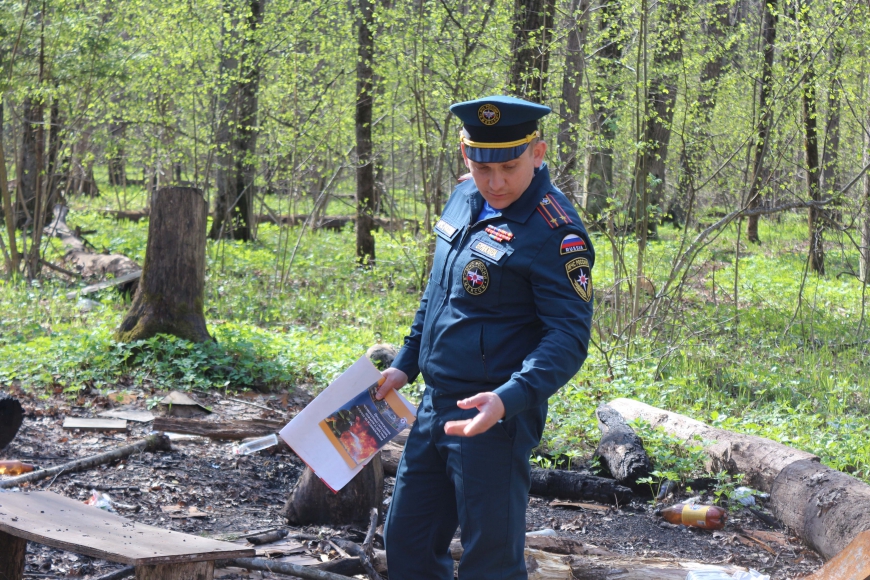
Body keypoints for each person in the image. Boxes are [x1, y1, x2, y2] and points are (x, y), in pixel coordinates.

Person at [375, 95, 594, 579]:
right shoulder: (463, 198)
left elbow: (568, 337)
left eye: (510, 168)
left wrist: (509, 398)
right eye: (482, 167)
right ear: (465, 155)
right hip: (435, 405)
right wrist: (406, 362)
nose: (496, 183)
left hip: (495, 416)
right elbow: (439, 294)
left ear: (537, 154)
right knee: (406, 542)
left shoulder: (556, 233)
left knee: (489, 561)